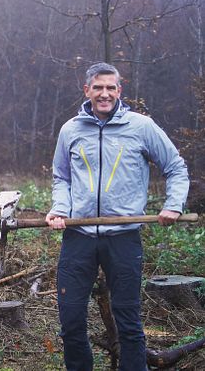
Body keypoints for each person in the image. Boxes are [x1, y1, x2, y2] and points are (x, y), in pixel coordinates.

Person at [45, 62, 189, 370]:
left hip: (123, 238)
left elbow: (175, 168)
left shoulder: (141, 127)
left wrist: (173, 204)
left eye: (111, 87)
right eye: (98, 87)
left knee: (129, 323)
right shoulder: (71, 129)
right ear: (87, 91)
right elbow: (62, 177)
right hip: (78, 238)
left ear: (120, 91)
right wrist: (60, 209)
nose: (104, 93)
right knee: (70, 321)